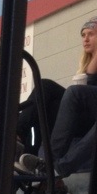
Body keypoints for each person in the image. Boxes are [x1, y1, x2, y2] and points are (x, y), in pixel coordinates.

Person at [16, 15, 97, 178]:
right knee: (45, 87)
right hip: (86, 116)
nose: (85, 39)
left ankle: (52, 166)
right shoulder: (86, 63)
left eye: (91, 34)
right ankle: (17, 135)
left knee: (73, 92)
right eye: (83, 35)